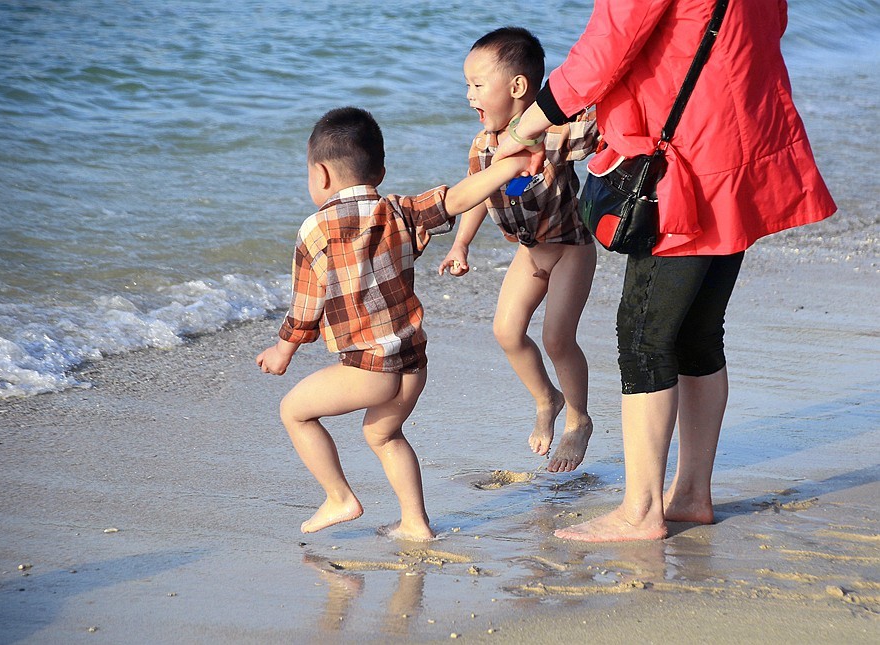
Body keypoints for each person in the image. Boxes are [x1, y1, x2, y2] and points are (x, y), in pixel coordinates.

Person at [494, 0, 836, 541]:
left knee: (644, 334)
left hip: (684, 161)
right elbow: (757, 31)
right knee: (698, 332)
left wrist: (518, 133)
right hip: (740, 145)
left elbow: (601, 53)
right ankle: (692, 494)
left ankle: (641, 510)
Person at [257, 107, 531, 541]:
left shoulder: (316, 229)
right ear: (380, 171)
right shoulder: (399, 209)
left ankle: (339, 497)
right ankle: (416, 523)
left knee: (293, 412)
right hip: (412, 363)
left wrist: (283, 350)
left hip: (369, 368)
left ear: (321, 175)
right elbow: (456, 199)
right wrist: (508, 167)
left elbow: (307, 305)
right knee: (384, 434)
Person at [438, 27, 600, 473]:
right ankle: (546, 398)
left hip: (570, 248)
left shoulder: (549, 133)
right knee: (506, 333)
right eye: (466, 86)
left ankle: (579, 419)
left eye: (476, 84)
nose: (469, 95)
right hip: (529, 252)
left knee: (556, 338)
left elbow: (591, 129)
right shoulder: (483, 145)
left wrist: (571, 106)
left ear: (517, 87)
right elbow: (473, 194)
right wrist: (460, 244)